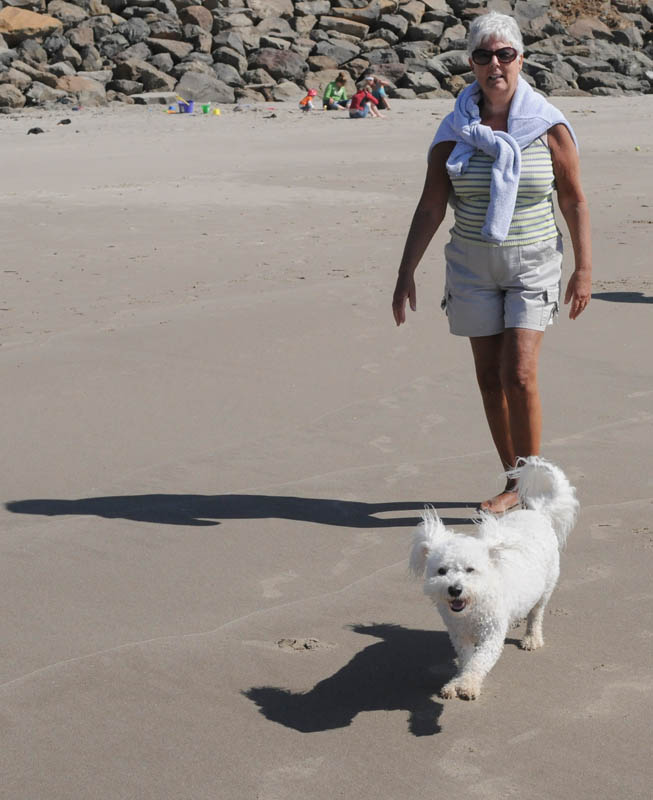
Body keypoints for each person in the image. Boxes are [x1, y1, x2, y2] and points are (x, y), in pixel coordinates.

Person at [391, 11, 592, 514]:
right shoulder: (455, 129)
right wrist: (405, 271)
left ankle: (531, 482)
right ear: (472, 63)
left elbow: (573, 200)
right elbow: (431, 206)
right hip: (472, 265)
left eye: (505, 54)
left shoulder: (548, 125)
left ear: (521, 59)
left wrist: (584, 268)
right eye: (484, 55)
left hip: (534, 261)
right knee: (488, 378)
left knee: (518, 374)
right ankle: (515, 481)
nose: (494, 64)